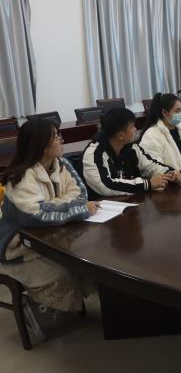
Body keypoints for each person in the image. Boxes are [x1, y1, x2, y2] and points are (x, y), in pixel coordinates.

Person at [0, 121, 96, 341]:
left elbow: (80, 194)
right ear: (42, 145)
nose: (62, 139)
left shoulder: (61, 164)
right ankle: (35, 313)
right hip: (18, 249)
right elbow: (36, 215)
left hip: (51, 235)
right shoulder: (20, 177)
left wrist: (54, 206)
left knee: (86, 262)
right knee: (60, 273)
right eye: (56, 136)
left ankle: (54, 309)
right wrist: (73, 208)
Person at [83, 108, 180, 199]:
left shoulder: (131, 146)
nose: (135, 129)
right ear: (121, 135)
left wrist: (169, 173)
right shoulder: (93, 153)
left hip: (131, 202)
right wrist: (147, 184)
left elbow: (149, 165)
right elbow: (106, 186)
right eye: (132, 127)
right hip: (102, 207)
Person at [140, 92, 181, 169]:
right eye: (177, 111)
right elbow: (152, 165)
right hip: (172, 176)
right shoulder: (152, 134)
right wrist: (170, 173)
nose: (180, 114)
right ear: (164, 112)